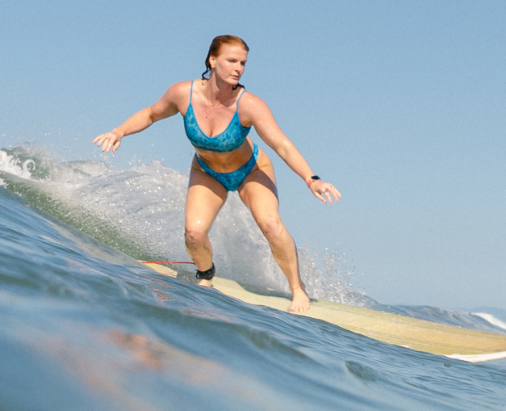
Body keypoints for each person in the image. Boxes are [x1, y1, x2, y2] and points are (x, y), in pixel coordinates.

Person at [94, 35, 341, 313]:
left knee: (271, 225)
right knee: (194, 233)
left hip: (251, 171)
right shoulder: (182, 94)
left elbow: (283, 145)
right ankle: (205, 275)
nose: (239, 68)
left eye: (243, 63)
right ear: (212, 60)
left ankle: (298, 289)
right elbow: (151, 114)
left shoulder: (249, 105)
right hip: (208, 171)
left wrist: (312, 179)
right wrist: (119, 132)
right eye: (232, 60)